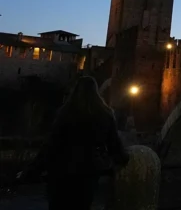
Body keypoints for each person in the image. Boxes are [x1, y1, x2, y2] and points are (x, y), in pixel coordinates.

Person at [17, 76, 130, 210]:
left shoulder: (65, 113)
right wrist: (124, 158)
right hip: (88, 173)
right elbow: (114, 144)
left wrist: (30, 172)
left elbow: (50, 147)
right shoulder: (105, 114)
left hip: (61, 173)